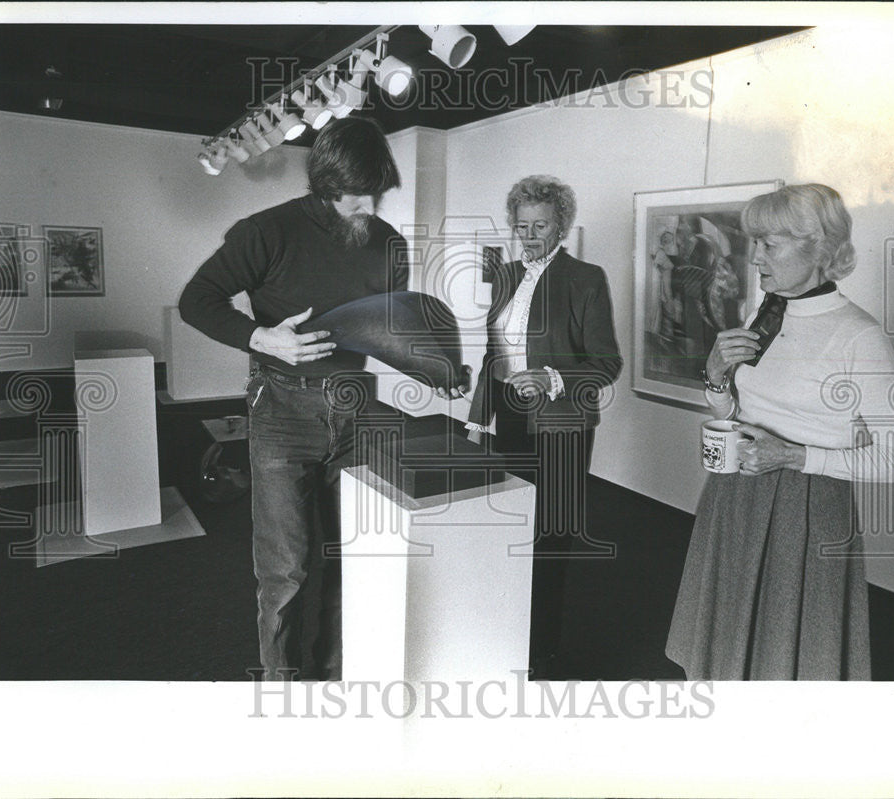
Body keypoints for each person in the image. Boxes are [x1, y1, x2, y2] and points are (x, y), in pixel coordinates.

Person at [179, 117, 418, 681]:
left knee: (350, 558)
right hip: (281, 411)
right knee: (286, 568)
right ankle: (282, 689)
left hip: (355, 410)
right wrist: (263, 338)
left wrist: (428, 360)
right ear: (326, 185)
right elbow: (198, 300)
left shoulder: (389, 244)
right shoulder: (266, 231)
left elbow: (388, 324)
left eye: (375, 193)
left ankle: (337, 676)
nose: (369, 206)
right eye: (358, 196)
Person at [666, 183, 894, 680]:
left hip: (806, 509)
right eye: (753, 242)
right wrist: (715, 374)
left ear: (818, 248)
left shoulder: (858, 336)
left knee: (787, 664)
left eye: (769, 245)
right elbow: (738, 408)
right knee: (725, 653)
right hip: (733, 494)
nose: (754, 258)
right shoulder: (765, 313)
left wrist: (795, 457)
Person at [466, 175, 622, 678]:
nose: (530, 234)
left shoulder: (586, 278)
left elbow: (606, 363)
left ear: (561, 226)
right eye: (522, 225)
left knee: (551, 535)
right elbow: (495, 353)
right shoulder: (508, 274)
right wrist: (476, 419)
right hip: (510, 418)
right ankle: (509, 629)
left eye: (541, 225)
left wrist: (553, 378)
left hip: (561, 423)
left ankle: (543, 649)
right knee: (512, 524)